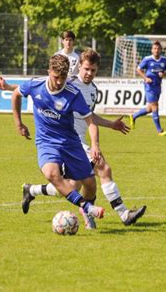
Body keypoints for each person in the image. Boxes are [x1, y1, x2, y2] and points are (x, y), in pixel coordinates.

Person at [23, 49, 147, 229]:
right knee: (103, 168)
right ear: (79, 66)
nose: (89, 73)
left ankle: (32, 190)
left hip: (79, 141)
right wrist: (8, 87)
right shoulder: (68, 83)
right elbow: (34, 87)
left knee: (72, 186)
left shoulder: (93, 90)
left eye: (93, 70)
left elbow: (89, 117)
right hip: (69, 140)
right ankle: (124, 214)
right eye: (86, 69)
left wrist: (111, 124)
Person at [0, 54, 105, 222]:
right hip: (46, 142)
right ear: (49, 71)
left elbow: (91, 121)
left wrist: (95, 145)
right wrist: (19, 124)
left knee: (89, 183)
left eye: (63, 77)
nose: (59, 81)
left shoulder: (73, 94)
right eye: (56, 77)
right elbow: (16, 94)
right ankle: (88, 209)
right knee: (52, 174)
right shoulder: (35, 85)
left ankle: (34, 191)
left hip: (70, 142)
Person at [130, 40, 166, 136]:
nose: (156, 50)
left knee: (149, 109)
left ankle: (133, 116)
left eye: (158, 49)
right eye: (154, 48)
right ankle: (159, 131)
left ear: (161, 50)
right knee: (155, 106)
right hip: (149, 86)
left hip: (158, 86)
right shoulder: (147, 59)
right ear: (152, 50)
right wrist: (145, 78)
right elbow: (138, 69)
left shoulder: (164, 60)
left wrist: (163, 74)